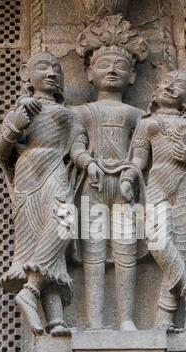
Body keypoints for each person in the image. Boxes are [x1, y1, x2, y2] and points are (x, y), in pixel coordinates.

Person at [0, 52, 90, 336]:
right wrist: (17, 122)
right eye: (43, 67)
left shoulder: (69, 116)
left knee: (63, 222)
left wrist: (92, 165)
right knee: (38, 240)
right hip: (28, 174)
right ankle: (55, 319)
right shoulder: (24, 109)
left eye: (56, 68)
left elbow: (78, 151)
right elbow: (3, 151)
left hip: (55, 171)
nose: (51, 72)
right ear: (28, 76)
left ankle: (31, 289)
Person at [123, 70, 186, 331]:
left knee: (179, 252)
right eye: (167, 82)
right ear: (157, 88)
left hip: (185, 190)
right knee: (157, 241)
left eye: (180, 87)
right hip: (156, 186)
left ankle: (164, 321)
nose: (172, 89)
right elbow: (140, 159)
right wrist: (129, 176)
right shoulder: (147, 123)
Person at [72, 14, 147, 331]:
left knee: (126, 253)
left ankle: (127, 319)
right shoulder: (82, 112)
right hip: (93, 183)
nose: (112, 70)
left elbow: (142, 148)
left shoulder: (137, 114)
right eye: (104, 65)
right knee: (93, 253)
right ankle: (95, 320)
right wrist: (87, 162)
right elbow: (76, 145)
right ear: (89, 72)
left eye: (120, 66)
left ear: (132, 76)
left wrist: (134, 170)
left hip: (126, 186)